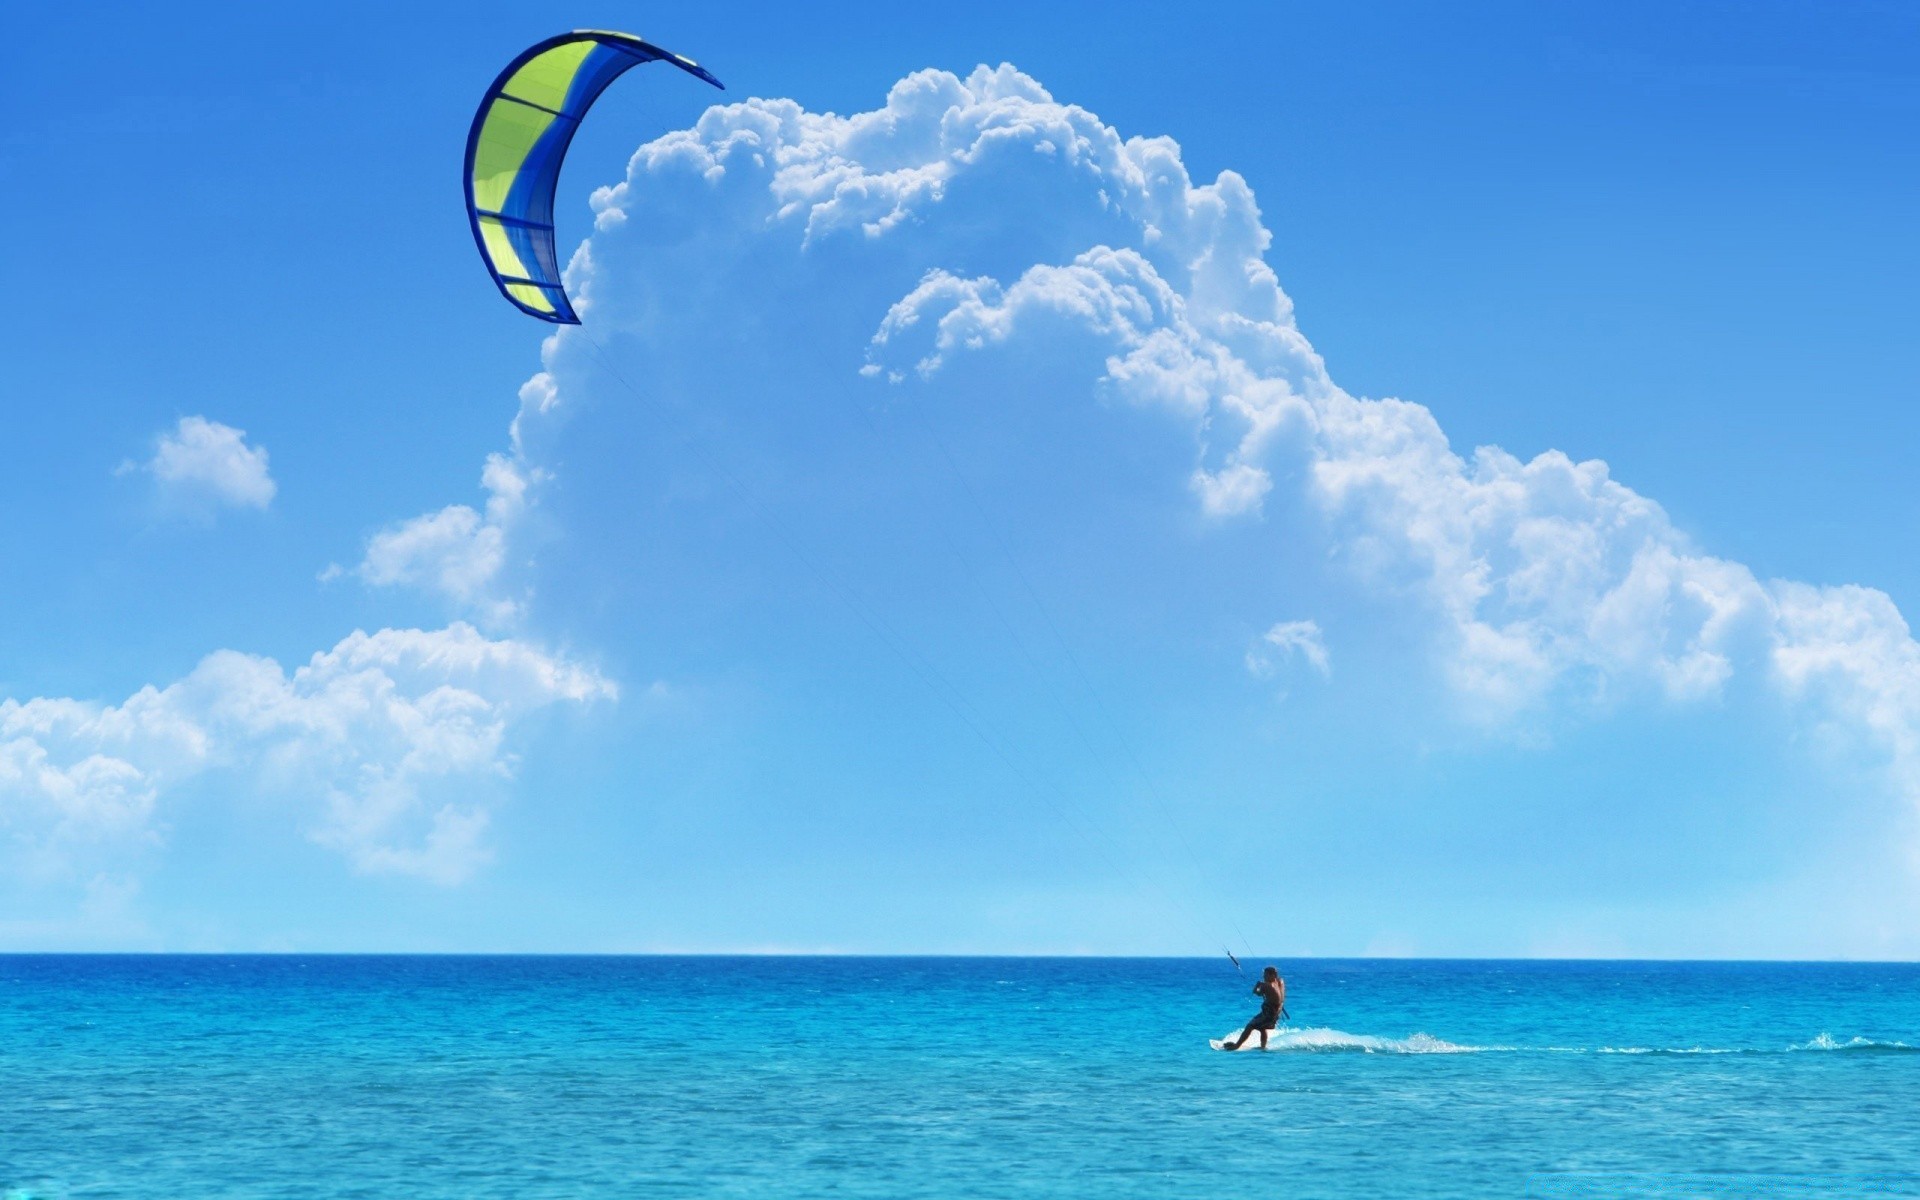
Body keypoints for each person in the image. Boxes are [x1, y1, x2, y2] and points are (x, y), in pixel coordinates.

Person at [1224, 966, 1286, 1051]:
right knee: (1262, 1027)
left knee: (1250, 1026)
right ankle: (1263, 1047)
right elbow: (1281, 998)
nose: (1264, 977)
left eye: (1266, 975)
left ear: (1272, 975)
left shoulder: (1266, 985)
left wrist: (1257, 985)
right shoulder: (1280, 982)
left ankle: (1236, 1046)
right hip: (1276, 1012)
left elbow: (1257, 993)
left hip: (1269, 1012)